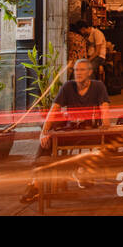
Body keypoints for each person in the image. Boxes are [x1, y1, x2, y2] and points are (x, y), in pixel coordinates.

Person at [19, 59, 111, 204]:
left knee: (106, 147)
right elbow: (54, 109)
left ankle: (81, 171)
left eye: (82, 70)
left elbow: (104, 107)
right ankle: (35, 184)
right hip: (71, 131)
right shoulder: (68, 87)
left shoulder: (98, 86)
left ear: (89, 72)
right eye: (76, 70)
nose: (78, 73)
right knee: (46, 142)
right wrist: (44, 132)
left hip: (90, 133)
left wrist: (106, 122)